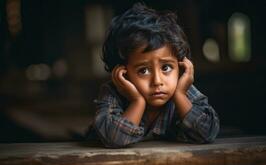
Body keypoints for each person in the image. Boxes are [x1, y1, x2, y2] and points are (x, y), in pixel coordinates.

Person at [86, 3, 220, 148]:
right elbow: (114, 139)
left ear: (180, 67)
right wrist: (137, 101)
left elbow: (208, 133)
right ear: (123, 74)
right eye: (143, 71)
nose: (157, 81)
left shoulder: (182, 89)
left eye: (166, 67)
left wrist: (180, 95)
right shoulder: (112, 92)